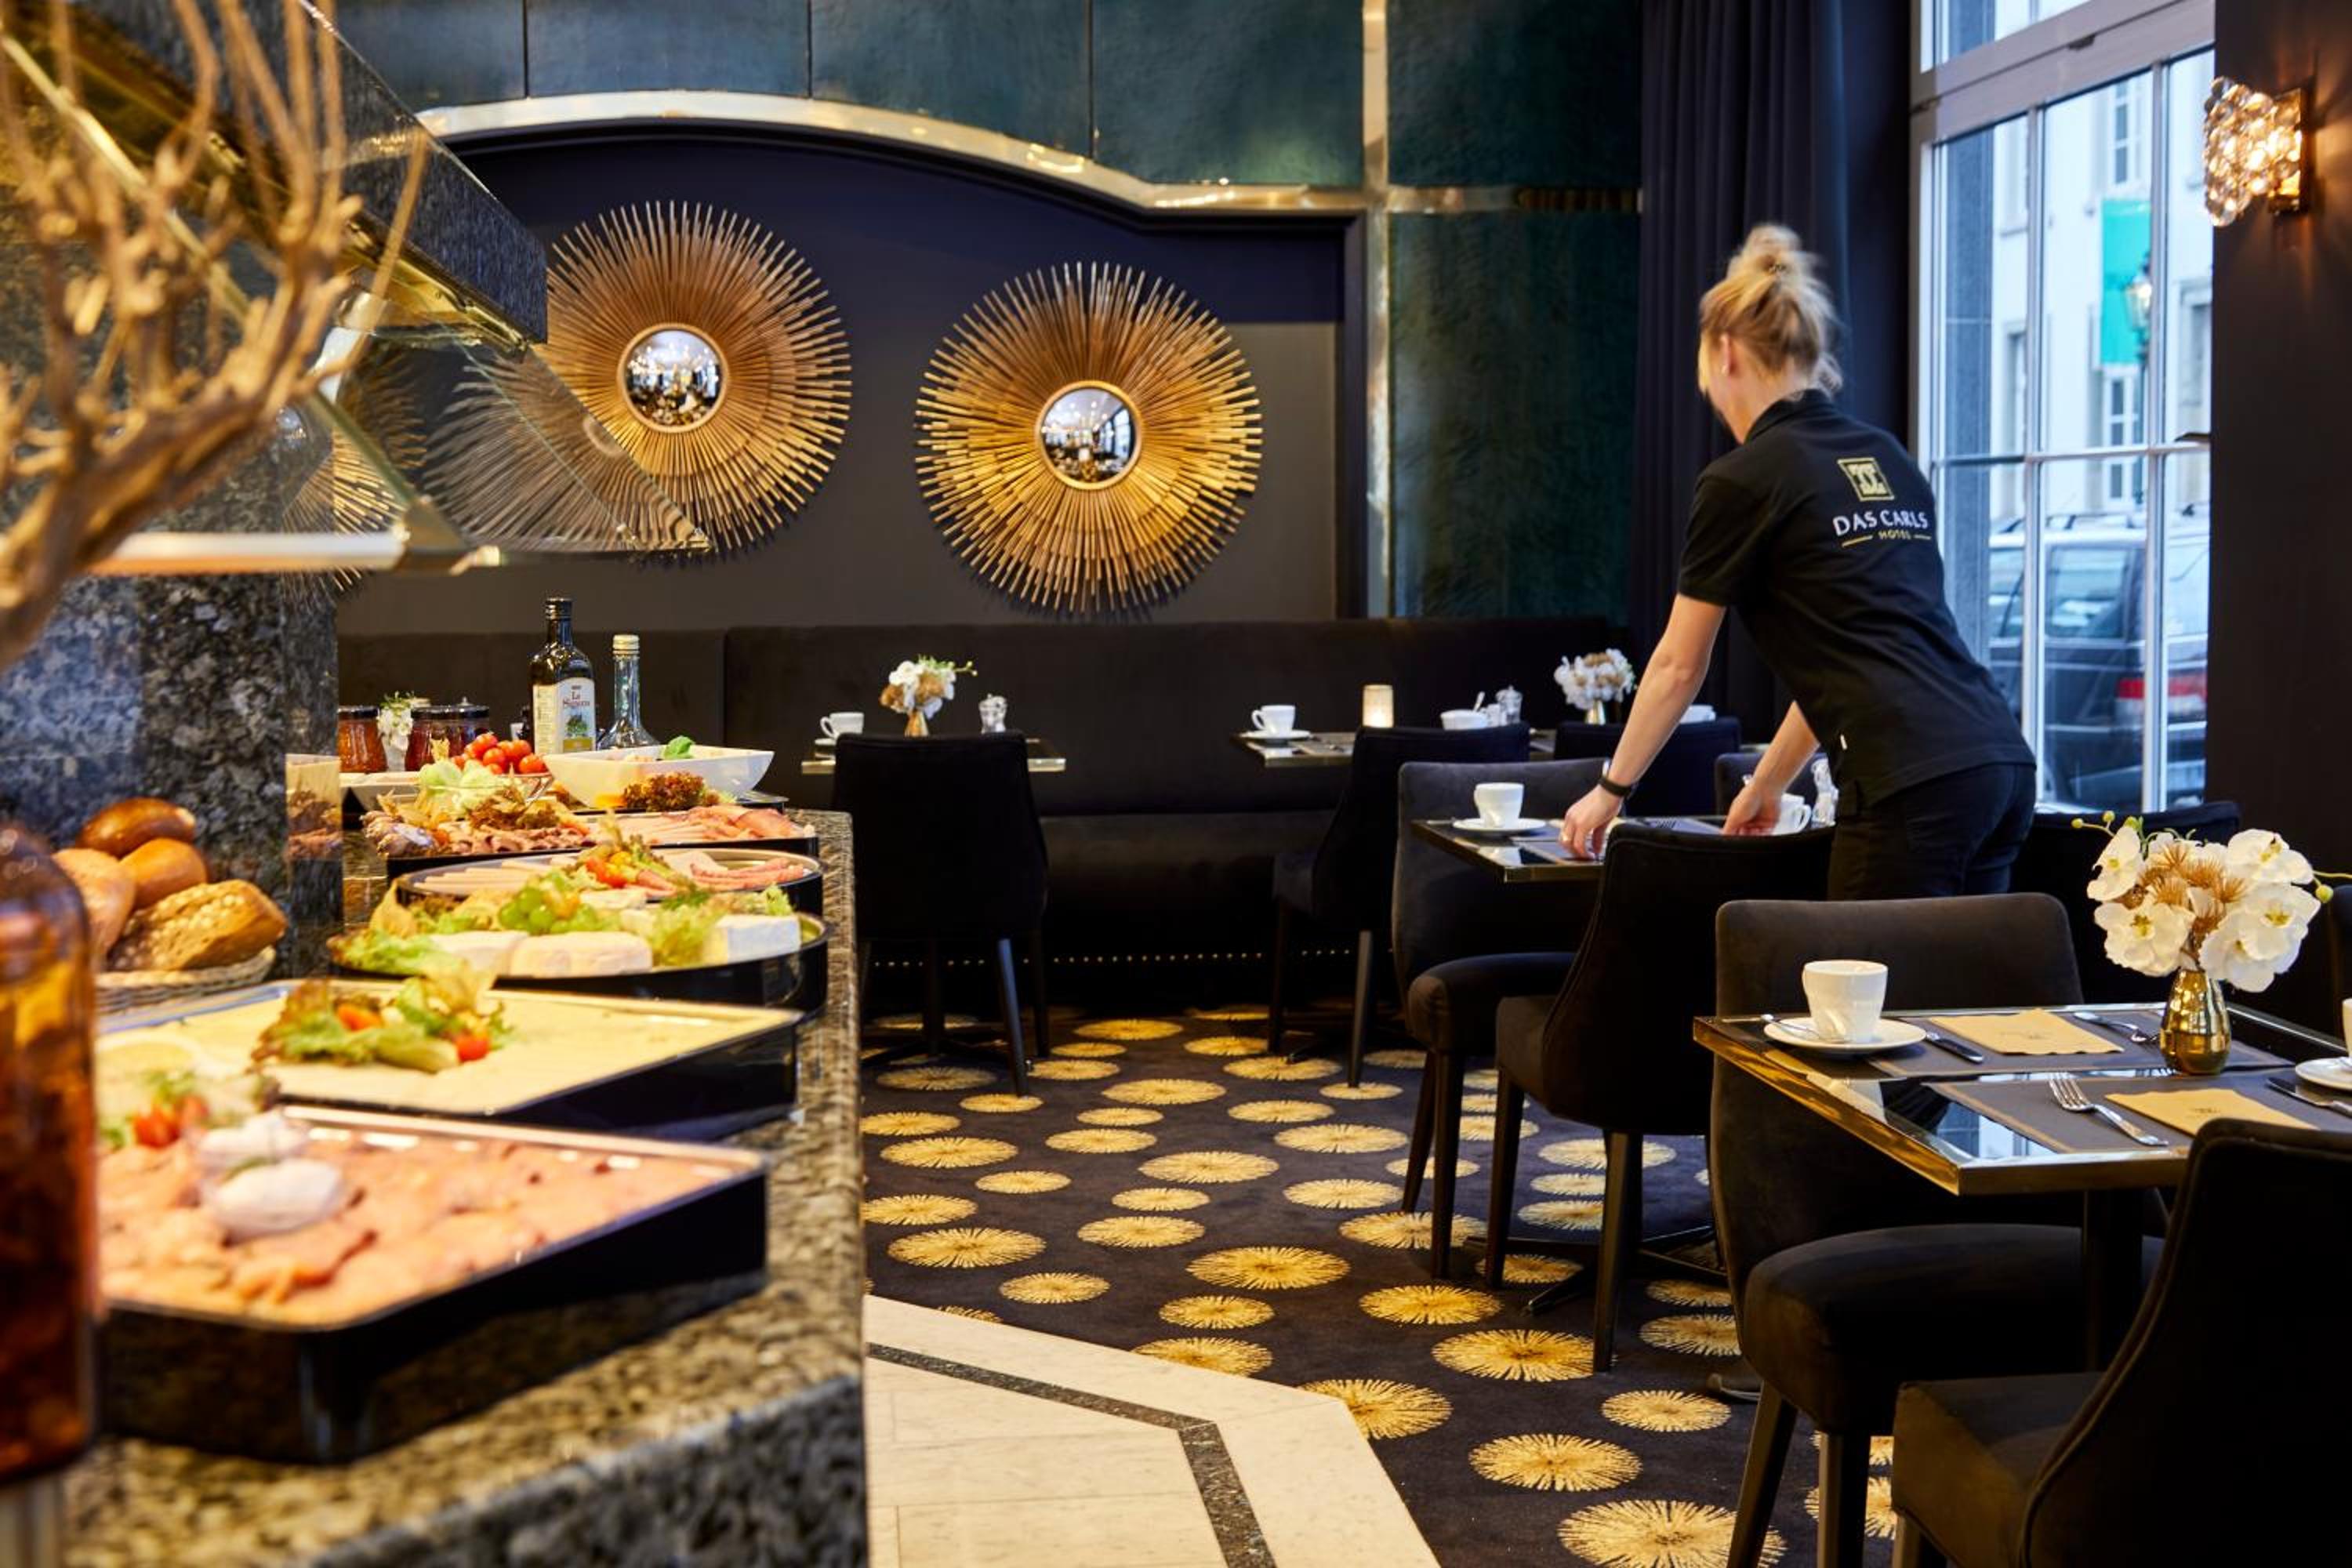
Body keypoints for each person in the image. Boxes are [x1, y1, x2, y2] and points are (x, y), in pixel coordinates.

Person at [1561, 225, 2036, 898]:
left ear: (1725, 353)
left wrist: (1611, 789)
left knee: (1856, 972)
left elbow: (1676, 666)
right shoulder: (1887, 456)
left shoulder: (1741, 480)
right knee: (1961, 974)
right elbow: (1857, 654)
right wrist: (1767, 783)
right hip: (1997, 761)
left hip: (1906, 782)